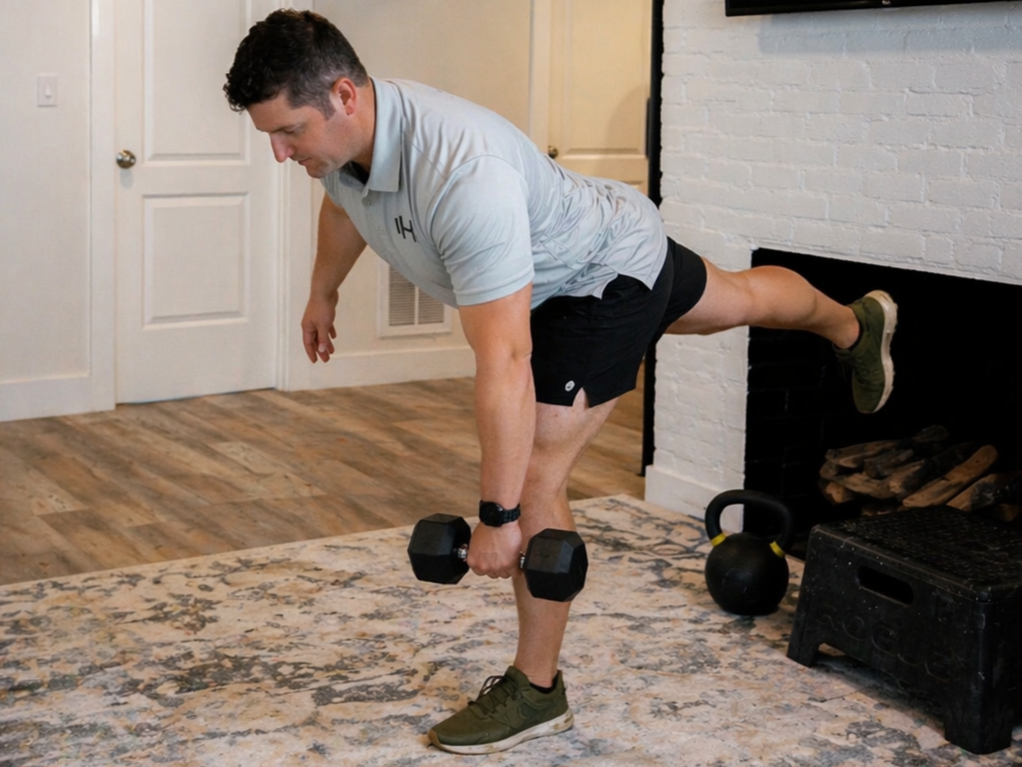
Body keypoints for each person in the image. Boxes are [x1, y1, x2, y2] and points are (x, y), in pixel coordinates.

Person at [225, 9, 897, 755]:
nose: (282, 155)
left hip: (595, 279)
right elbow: (343, 205)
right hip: (600, 233)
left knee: (537, 474)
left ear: (344, 96)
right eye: (271, 138)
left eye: (289, 133)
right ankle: (854, 325)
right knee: (735, 300)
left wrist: (497, 514)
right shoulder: (349, 145)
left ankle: (537, 690)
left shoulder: (460, 174)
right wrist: (323, 291)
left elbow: (506, 362)